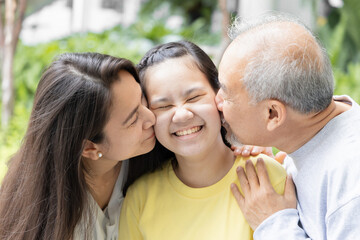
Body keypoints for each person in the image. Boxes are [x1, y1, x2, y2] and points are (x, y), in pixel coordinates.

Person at [119, 40, 287, 240]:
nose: (181, 115)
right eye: (163, 106)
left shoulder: (265, 176)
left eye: (193, 98)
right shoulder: (140, 197)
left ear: (220, 97)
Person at [216, 13, 360, 240]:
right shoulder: (312, 134)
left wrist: (273, 224)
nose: (217, 101)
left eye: (227, 95)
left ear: (272, 114)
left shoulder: (351, 185)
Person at [0, 52, 156, 240]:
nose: (151, 117)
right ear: (89, 148)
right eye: (133, 120)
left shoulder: (159, 162)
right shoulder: (39, 211)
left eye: (141, 98)